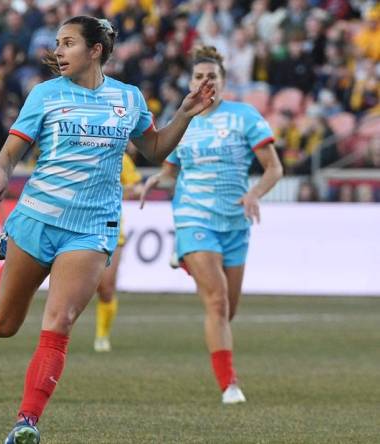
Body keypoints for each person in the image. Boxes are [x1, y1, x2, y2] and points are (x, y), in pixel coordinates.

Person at [0, 16, 215, 443]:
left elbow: (155, 148)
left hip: (91, 229)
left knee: (61, 320)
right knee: (3, 326)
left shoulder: (128, 99)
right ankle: (10, 236)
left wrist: (184, 113)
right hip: (36, 219)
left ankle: (26, 422)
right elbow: (8, 155)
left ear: (95, 50)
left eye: (68, 43)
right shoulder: (45, 95)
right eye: (57, 43)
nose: (58, 51)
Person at [141, 46, 283, 405]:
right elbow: (171, 170)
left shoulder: (245, 117)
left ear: (223, 82)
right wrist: (157, 179)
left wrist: (254, 194)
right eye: (200, 77)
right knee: (217, 302)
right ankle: (229, 385)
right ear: (191, 83)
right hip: (193, 215)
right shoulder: (182, 122)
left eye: (212, 77)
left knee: (227, 310)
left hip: (235, 221)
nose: (206, 82)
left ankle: (187, 262)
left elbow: (274, 168)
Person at [93, 152, 142, 352]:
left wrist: (121, 190)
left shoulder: (121, 157)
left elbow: (136, 187)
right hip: (77, 226)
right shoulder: (80, 149)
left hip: (110, 228)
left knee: (106, 288)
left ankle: (102, 335)